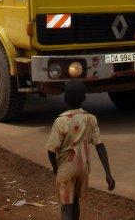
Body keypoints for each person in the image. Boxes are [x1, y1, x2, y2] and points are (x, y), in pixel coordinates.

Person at [46, 81, 115, 220]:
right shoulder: (90, 119)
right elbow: (99, 145)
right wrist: (108, 174)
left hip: (66, 169)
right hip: (83, 169)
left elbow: (51, 150)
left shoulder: (61, 121)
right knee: (75, 201)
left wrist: (55, 168)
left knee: (66, 207)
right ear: (84, 98)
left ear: (65, 98)